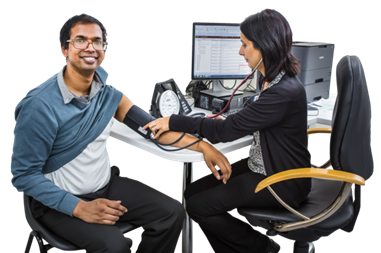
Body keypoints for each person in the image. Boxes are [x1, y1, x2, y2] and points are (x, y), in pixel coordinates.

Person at [10, 14, 232, 253]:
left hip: (105, 187)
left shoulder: (108, 96)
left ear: (105, 48)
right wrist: (79, 208)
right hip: (59, 203)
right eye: (80, 41)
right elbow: (24, 175)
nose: (90, 48)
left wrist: (203, 146)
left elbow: (153, 129)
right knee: (115, 245)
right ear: (64, 49)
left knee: (172, 212)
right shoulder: (39, 105)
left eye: (97, 41)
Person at [144, 8, 312, 253]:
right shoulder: (273, 79)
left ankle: (264, 249)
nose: (240, 52)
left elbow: (226, 131)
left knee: (199, 207)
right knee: (191, 194)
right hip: (265, 166)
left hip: (281, 182)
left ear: (264, 46)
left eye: (245, 45)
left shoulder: (282, 92)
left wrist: (174, 121)